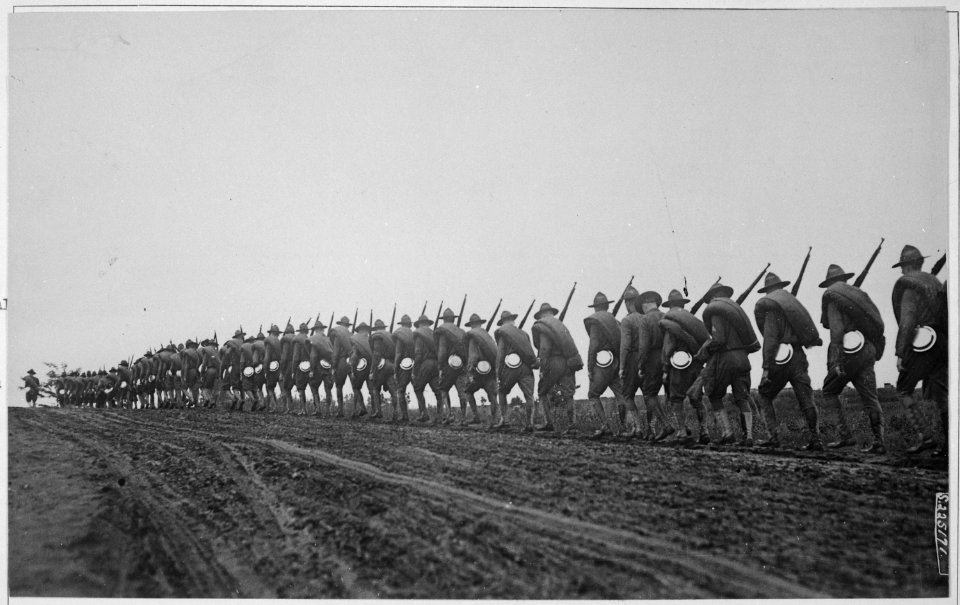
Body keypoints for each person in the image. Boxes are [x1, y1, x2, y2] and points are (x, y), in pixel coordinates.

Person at [752, 273, 824, 450]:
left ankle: (773, 436)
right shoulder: (794, 309)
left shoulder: (770, 310)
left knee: (764, 394)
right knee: (806, 398)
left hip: (780, 357)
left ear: (767, 291)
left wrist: (766, 368)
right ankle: (815, 438)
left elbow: (770, 339)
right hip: (798, 355)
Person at [818, 264, 886, 452]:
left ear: (829, 283)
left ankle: (844, 436)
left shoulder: (832, 298)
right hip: (867, 349)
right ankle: (879, 442)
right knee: (871, 397)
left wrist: (836, 360)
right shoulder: (859, 295)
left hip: (848, 353)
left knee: (829, 391)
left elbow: (837, 330)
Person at [891, 245, 948, 455]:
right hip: (943, 342)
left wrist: (900, 353)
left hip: (924, 343)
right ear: (920, 263)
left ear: (905, 266)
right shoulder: (934, 282)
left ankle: (926, 437)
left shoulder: (909, 287)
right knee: (941, 394)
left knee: (903, 388)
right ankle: (949, 446)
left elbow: (907, 323)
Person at [700, 282, 761, 445]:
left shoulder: (715, 313)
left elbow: (719, 339)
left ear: (712, 296)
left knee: (714, 395)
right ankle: (748, 436)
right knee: (742, 397)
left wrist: (705, 351)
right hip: (743, 358)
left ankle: (728, 434)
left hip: (726, 358)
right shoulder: (737, 313)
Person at [659, 289, 712, 444]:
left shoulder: (670, 322)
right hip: (695, 363)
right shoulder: (693, 320)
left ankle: (682, 431)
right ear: (682, 304)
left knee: (676, 399)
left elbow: (668, 347)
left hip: (679, 365)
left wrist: (665, 368)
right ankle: (705, 431)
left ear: (670, 306)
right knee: (697, 398)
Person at [531, 302, 583, 434]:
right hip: (569, 362)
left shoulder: (543, 326)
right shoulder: (560, 326)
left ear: (541, 315)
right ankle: (572, 424)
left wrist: (542, 369)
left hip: (553, 362)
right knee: (568, 394)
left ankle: (549, 422)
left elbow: (544, 348)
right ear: (552, 313)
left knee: (542, 392)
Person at [582, 292, 626, 438]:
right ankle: (621, 426)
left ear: (595, 308)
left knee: (593, 394)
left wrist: (590, 367)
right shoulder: (615, 321)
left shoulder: (594, 321)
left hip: (602, 362)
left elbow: (593, 345)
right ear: (607, 306)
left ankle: (604, 425)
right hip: (616, 361)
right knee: (621, 395)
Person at [634, 290, 675, 441]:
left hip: (653, 359)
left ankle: (665, 425)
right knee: (670, 394)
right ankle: (679, 429)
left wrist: (640, 365)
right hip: (670, 357)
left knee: (650, 394)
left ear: (645, 305)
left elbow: (644, 347)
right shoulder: (667, 316)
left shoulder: (645, 319)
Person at [494, 309, 539, 431]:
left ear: (502, 322)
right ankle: (530, 423)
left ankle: (505, 420)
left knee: (502, 392)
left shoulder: (502, 333)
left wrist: (498, 373)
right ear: (513, 320)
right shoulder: (524, 334)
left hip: (510, 368)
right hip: (526, 368)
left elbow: (501, 354)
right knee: (529, 395)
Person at [436, 308, 476, 424]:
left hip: (448, 366)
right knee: (462, 392)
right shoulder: (462, 331)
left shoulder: (442, 331)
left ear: (444, 320)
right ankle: (463, 418)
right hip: (461, 366)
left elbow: (442, 351)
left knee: (443, 389)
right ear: (453, 319)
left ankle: (449, 415)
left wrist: (440, 367)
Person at [463, 313, 501, 428]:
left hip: (478, 372)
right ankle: (496, 419)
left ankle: (476, 417)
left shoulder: (473, 338)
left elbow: (473, 356)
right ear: (480, 323)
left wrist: (469, 372)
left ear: (471, 325)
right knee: (492, 395)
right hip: (490, 370)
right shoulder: (487, 336)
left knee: (468, 392)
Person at [412, 314, 445, 423]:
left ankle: (424, 414)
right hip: (436, 363)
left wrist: (415, 371)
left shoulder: (418, 334)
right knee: (437, 391)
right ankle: (440, 415)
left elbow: (418, 354)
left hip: (425, 364)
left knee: (418, 388)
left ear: (419, 324)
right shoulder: (433, 333)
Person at [370, 319, 400, 421]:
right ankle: (396, 413)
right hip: (391, 365)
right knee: (393, 390)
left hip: (381, 366)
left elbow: (376, 354)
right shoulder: (390, 335)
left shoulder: (376, 336)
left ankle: (378, 412)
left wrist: (372, 371)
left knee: (375, 388)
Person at [308, 318, 335, 417]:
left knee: (313, 386)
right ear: (322, 329)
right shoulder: (327, 339)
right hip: (328, 366)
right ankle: (328, 411)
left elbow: (313, 356)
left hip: (318, 367)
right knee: (328, 389)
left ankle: (318, 409)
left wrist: (311, 369)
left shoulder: (313, 339)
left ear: (315, 329)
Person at [393, 314, 417, 421]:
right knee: (418, 389)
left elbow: (398, 353)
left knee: (401, 390)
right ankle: (423, 413)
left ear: (402, 324)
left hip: (404, 365)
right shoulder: (414, 333)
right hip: (416, 364)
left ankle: (404, 415)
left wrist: (395, 368)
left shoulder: (399, 334)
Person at [329, 316, 355, 417]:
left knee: (339, 386)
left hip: (341, 362)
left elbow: (335, 353)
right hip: (352, 361)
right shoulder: (351, 334)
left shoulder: (337, 334)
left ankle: (340, 411)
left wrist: (334, 366)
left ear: (340, 324)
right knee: (355, 387)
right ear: (347, 325)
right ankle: (357, 410)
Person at [348, 322, 373, 418]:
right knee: (372, 389)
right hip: (372, 366)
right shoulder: (371, 340)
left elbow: (354, 357)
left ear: (359, 330)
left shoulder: (355, 340)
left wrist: (353, 371)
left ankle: (362, 408)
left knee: (356, 387)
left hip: (361, 366)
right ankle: (375, 411)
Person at [291, 322, 313, 415]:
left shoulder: (297, 340)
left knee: (301, 388)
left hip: (301, 366)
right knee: (313, 388)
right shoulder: (310, 339)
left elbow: (296, 357)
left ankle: (303, 410)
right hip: (311, 365)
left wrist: (293, 370)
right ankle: (317, 409)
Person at [263, 325, 283, 412]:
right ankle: (286, 407)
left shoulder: (268, 341)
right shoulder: (279, 341)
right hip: (280, 365)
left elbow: (267, 357)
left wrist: (265, 369)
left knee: (270, 388)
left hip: (272, 367)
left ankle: (274, 406)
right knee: (282, 387)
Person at [279, 322, 297, 414]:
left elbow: (284, 357)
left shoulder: (286, 340)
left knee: (287, 387)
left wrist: (282, 371)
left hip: (290, 365)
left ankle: (289, 408)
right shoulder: (297, 338)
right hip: (299, 365)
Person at [198, 338, 221, 408]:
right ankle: (214, 402)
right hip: (218, 371)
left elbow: (204, 363)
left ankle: (209, 400)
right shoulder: (217, 351)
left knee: (206, 387)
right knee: (215, 388)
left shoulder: (207, 351)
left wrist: (201, 374)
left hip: (210, 370)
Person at [181, 340, 202, 408]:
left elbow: (186, 365)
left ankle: (191, 399)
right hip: (195, 371)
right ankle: (196, 403)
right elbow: (200, 362)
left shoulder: (186, 352)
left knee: (184, 388)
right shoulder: (196, 352)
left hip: (189, 371)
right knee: (194, 388)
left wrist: (184, 376)